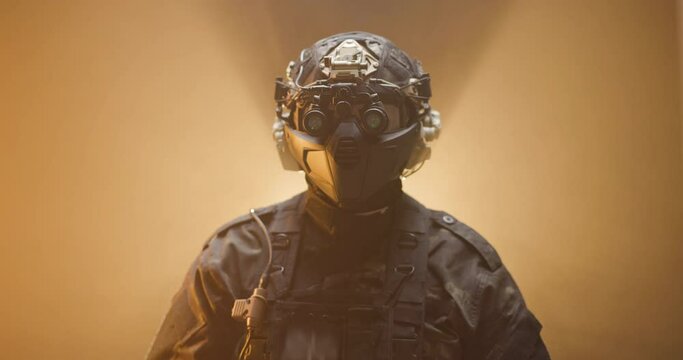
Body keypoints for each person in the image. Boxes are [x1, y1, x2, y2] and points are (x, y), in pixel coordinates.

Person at [146, 31, 550, 360]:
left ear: (418, 129)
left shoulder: (464, 272)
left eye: (375, 116)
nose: (346, 140)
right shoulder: (233, 260)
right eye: (319, 115)